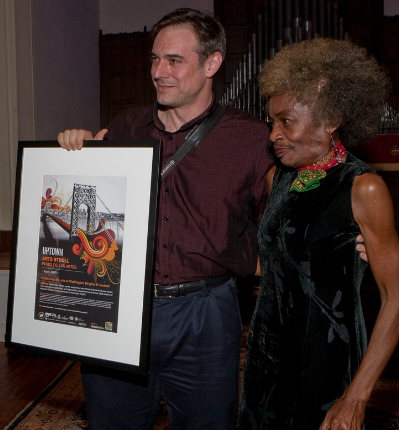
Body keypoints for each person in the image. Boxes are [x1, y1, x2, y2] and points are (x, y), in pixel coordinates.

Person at [59, 9, 273, 430]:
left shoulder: (251, 139)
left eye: (174, 60)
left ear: (211, 63)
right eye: (155, 59)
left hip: (206, 315)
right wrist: (74, 154)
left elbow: (285, 218)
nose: (160, 71)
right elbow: (84, 210)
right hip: (120, 306)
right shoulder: (124, 128)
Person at [237, 38, 399, 430]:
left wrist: (357, 395)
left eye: (286, 121)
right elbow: (276, 265)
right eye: (271, 122)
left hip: (326, 365)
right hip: (267, 362)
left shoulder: (363, 188)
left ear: (329, 119)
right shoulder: (277, 178)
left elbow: (397, 297)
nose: (273, 135)